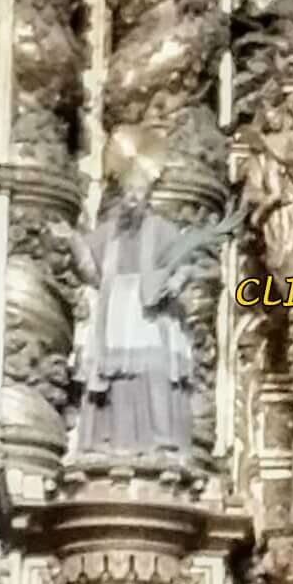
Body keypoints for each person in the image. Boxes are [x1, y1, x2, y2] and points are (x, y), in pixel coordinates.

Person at [71, 185, 230, 457]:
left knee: (154, 368)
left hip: (151, 309)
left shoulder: (160, 229)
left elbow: (193, 265)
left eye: (137, 193)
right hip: (116, 307)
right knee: (117, 373)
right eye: (127, 193)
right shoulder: (109, 233)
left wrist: (178, 279)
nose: (132, 199)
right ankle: (117, 438)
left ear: (147, 199)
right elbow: (89, 268)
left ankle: (161, 436)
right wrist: (72, 239)